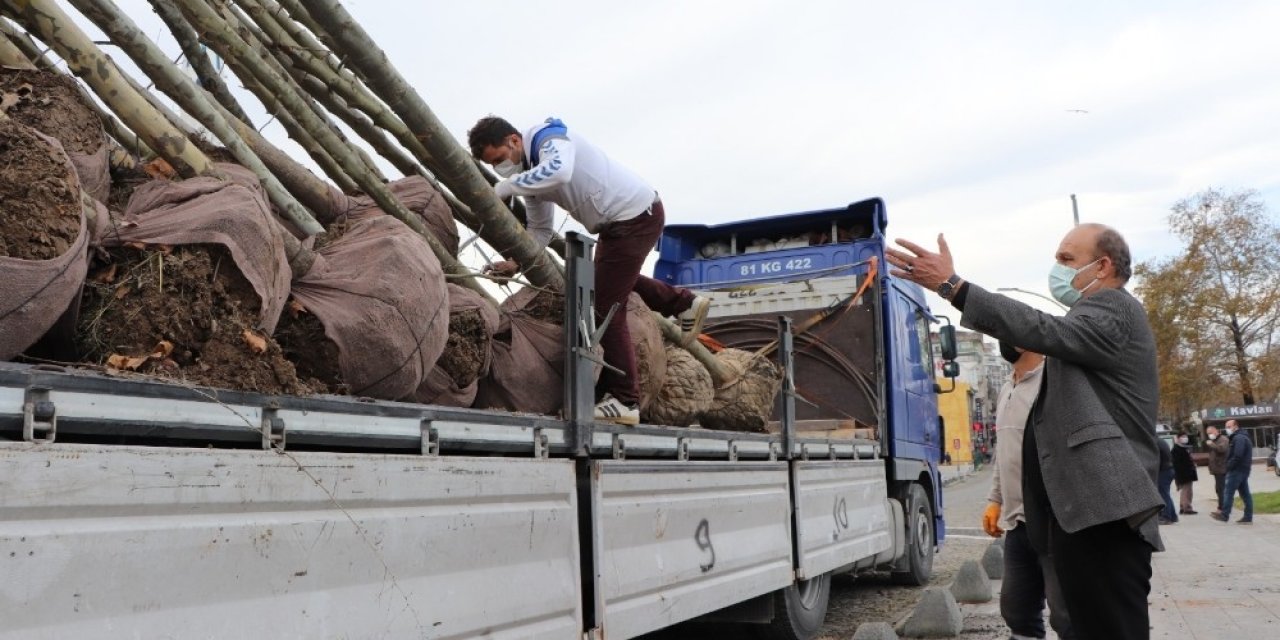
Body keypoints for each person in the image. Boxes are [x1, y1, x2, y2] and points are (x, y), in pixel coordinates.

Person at [886, 223, 1163, 640]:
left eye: (1067, 259)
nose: (1058, 269)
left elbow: (1041, 329)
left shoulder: (1114, 308)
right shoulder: (1087, 321)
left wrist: (953, 287)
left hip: (1106, 513)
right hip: (1083, 517)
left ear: (1103, 266)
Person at [467, 116, 711, 426]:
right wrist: (516, 262)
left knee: (606, 306)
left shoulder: (547, 137)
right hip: (620, 224)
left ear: (515, 140)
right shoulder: (531, 179)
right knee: (610, 279)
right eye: (493, 166)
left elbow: (560, 170)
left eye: (499, 159)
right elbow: (540, 229)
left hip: (634, 216)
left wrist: (506, 186)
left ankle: (625, 400)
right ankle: (683, 302)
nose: (499, 168)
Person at [984, 342, 1075, 640]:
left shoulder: (1053, 382)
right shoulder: (1006, 389)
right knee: (1017, 610)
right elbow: (1003, 451)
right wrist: (995, 499)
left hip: (1052, 522)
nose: (1002, 340)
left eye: (1007, 331)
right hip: (1017, 524)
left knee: (1066, 615)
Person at [1212, 420, 1254, 524]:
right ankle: (1248, 517)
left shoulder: (1239, 438)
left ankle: (1224, 514)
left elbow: (1237, 455)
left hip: (1237, 470)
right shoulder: (1242, 437)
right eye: (1226, 426)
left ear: (1235, 426)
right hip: (1243, 469)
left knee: (1228, 492)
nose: (1227, 429)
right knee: (1245, 494)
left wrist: (1228, 466)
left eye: (1229, 426)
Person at [1171, 433, 1199, 515]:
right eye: (1183, 437)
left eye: (1186, 437)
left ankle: (1183, 507)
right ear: (1178, 438)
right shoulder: (1177, 449)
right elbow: (1177, 464)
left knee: (1185, 491)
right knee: (1187, 491)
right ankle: (1187, 508)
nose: (1185, 438)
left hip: (1186, 473)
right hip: (1184, 474)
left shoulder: (1183, 448)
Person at [1205, 424, 1230, 508]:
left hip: (1222, 468)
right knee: (1218, 488)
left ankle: (1222, 506)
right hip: (1216, 469)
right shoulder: (1215, 440)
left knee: (1221, 489)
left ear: (1215, 431)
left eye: (1210, 433)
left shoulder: (1223, 439)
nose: (1209, 435)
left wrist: (1212, 444)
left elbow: (1221, 449)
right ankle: (1223, 505)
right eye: (1208, 434)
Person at [1156, 437, 1177, 524]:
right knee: (1166, 494)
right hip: (1169, 469)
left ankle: (1166, 517)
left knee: (1164, 495)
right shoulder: (1160, 440)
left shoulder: (1154, 442)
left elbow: (1156, 460)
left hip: (1164, 471)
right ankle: (1173, 516)